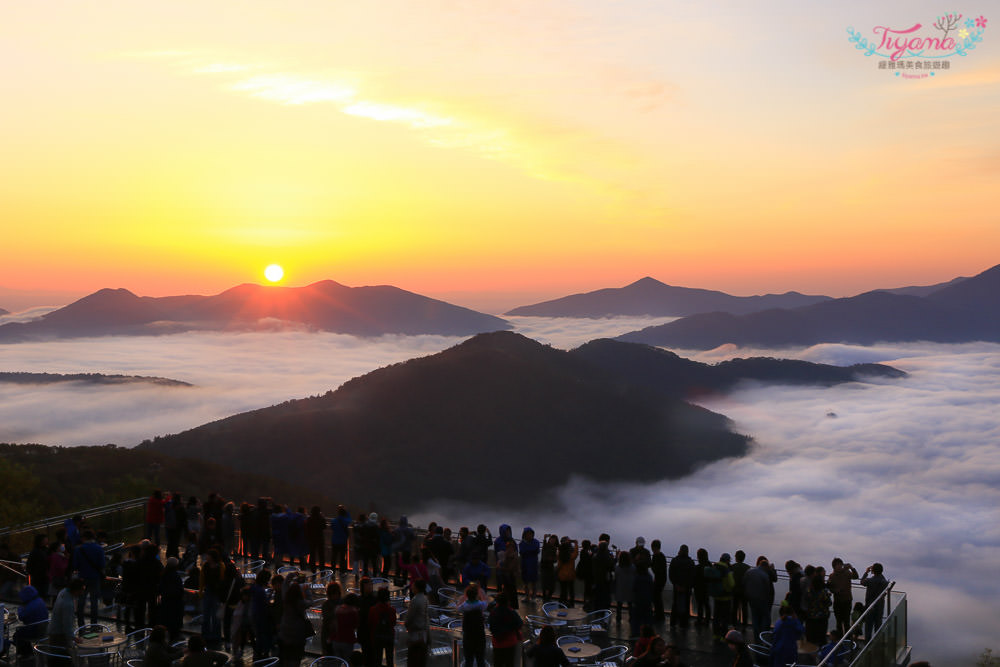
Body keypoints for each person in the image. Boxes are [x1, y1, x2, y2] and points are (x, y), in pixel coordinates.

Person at [71, 530, 105, 626]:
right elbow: (102, 564)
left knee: (81, 601)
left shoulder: (79, 549)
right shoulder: (99, 549)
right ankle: (94, 623)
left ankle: (81, 624)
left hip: (82, 578)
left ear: (84, 538)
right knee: (94, 602)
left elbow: (75, 565)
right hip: (95, 578)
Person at [277, 582, 313, 667]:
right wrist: (306, 590)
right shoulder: (301, 603)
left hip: (285, 634)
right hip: (298, 635)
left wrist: (289, 577)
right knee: (296, 658)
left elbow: (284, 585)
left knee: (286, 657)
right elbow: (311, 602)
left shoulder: (286, 602)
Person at [743, 556, 777, 642]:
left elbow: (744, 583)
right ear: (766, 566)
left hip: (751, 599)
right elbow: (767, 589)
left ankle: (756, 637)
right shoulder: (764, 575)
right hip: (762, 600)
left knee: (755, 618)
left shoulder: (749, 571)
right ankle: (764, 636)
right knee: (766, 618)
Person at [457, 583, 488, 667]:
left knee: (468, 659)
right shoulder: (480, 605)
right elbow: (486, 602)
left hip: (468, 635)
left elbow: (458, 608)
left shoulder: (464, 606)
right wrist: (481, 593)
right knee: (480, 659)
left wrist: (464, 596)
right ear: (476, 595)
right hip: (479, 634)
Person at [12, 585, 49, 657]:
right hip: (43, 629)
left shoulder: (30, 605)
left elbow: (21, 617)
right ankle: (28, 651)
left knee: (16, 635)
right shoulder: (40, 601)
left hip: (34, 630)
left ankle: (26, 653)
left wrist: (20, 608)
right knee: (21, 632)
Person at [487, 594, 523, 667]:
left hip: (497, 643)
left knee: (498, 663)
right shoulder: (512, 612)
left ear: (497, 602)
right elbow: (519, 624)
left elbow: (490, 625)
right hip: (510, 642)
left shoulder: (493, 613)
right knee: (509, 663)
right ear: (508, 602)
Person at [48, 579, 83, 650]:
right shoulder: (68, 604)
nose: (82, 592)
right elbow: (67, 626)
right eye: (82, 590)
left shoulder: (63, 592)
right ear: (76, 590)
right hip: (59, 637)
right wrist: (76, 639)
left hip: (53, 632)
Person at [827, 558, 859, 637]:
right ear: (834, 566)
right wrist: (836, 591)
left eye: (841, 564)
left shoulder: (847, 573)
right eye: (838, 565)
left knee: (846, 622)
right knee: (839, 622)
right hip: (838, 601)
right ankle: (840, 640)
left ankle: (847, 640)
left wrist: (852, 568)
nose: (840, 566)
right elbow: (829, 587)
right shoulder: (832, 576)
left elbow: (856, 577)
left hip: (847, 600)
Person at [802, 568, 832, 646]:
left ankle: (809, 652)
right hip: (822, 617)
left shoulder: (809, 591)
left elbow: (805, 601)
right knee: (821, 637)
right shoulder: (823, 592)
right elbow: (829, 603)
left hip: (810, 616)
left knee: (810, 637)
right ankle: (820, 653)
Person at [368, 587, 396, 667]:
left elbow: (370, 623)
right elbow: (393, 623)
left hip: (377, 637)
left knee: (377, 659)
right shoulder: (392, 610)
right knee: (390, 659)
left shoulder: (373, 609)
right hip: (389, 637)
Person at [860, 563, 888, 641]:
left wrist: (866, 572)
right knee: (878, 626)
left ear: (873, 571)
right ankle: (878, 644)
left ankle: (867, 645)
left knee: (868, 627)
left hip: (870, 606)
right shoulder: (884, 582)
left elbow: (862, 582)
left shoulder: (870, 580)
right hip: (880, 606)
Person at [405, 580, 430, 667]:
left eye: (413, 585)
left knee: (413, 659)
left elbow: (409, 617)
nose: (411, 587)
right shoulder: (425, 598)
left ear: (417, 588)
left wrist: (407, 625)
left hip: (415, 634)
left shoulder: (415, 600)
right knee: (421, 660)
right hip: (424, 634)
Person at [519, 527, 540, 603]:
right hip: (525, 565)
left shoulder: (536, 542)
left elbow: (536, 550)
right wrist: (530, 551)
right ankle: (527, 596)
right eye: (527, 534)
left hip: (533, 565)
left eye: (531, 534)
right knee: (526, 582)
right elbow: (522, 552)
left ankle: (533, 597)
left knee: (534, 582)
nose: (529, 535)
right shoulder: (522, 543)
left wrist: (527, 551)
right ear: (524, 535)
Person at [556, 537, 578, 607]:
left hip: (562, 575)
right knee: (571, 590)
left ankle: (562, 603)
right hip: (570, 575)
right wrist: (575, 543)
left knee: (563, 591)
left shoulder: (560, 554)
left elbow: (559, 565)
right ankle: (571, 603)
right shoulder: (571, 555)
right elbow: (576, 553)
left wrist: (557, 572)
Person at [730, 550, 750, 627]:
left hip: (735, 590)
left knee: (734, 608)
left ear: (736, 557)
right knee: (744, 608)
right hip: (744, 591)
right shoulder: (747, 568)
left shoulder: (733, 567)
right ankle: (744, 624)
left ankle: (734, 624)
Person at [330, 506, 352, 575]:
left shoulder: (334, 521)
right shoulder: (345, 521)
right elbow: (350, 520)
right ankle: (342, 571)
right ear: (344, 514)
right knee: (342, 557)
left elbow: (332, 527)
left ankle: (332, 571)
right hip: (343, 541)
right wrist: (346, 512)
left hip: (334, 541)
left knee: (334, 556)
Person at [614, 551, 634, 624]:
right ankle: (631, 617)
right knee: (630, 604)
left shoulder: (618, 567)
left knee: (619, 604)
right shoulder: (632, 567)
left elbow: (615, 576)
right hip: (629, 588)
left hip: (620, 588)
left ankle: (618, 617)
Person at [650, 540, 667, 623]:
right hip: (661, 579)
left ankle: (659, 615)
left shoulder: (657, 556)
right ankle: (659, 615)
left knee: (656, 597)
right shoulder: (661, 556)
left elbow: (656, 569)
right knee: (657, 597)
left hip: (659, 579)